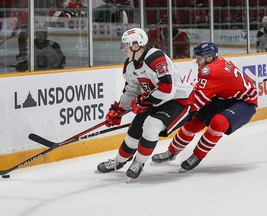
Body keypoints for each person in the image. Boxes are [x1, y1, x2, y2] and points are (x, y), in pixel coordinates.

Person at [96, 28, 194, 179]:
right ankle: (118, 162)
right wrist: (118, 110)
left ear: (136, 46)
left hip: (178, 101)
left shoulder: (156, 58)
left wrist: (142, 101)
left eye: (126, 46)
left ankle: (139, 163)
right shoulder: (130, 65)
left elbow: (167, 89)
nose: (124, 49)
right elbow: (131, 90)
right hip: (154, 101)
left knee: (151, 125)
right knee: (134, 130)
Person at [152, 41, 258, 172]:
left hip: (244, 103)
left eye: (199, 58)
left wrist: (183, 112)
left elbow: (198, 99)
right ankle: (171, 152)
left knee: (218, 123)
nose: (196, 62)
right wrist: (189, 113)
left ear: (209, 58)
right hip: (223, 98)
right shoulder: (211, 65)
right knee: (192, 123)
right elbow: (204, 95)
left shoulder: (211, 70)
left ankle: (197, 156)